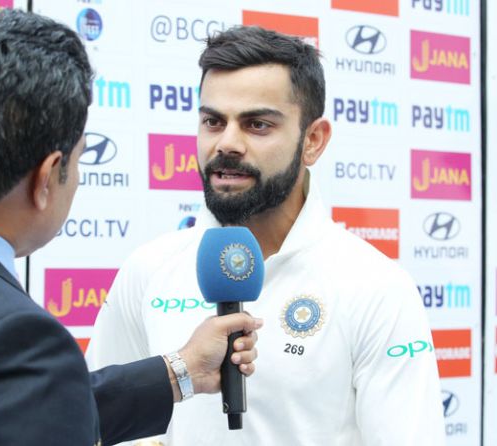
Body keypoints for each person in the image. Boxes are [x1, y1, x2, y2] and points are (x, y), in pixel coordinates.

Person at [0, 10, 263, 446]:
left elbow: (7, 405)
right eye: (77, 161)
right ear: (46, 176)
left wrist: (182, 370)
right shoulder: (14, 339)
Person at [86, 26, 445, 445]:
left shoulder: (377, 287)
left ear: (313, 140)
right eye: (212, 121)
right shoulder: (148, 268)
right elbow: (97, 424)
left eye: (256, 124)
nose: (227, 143)